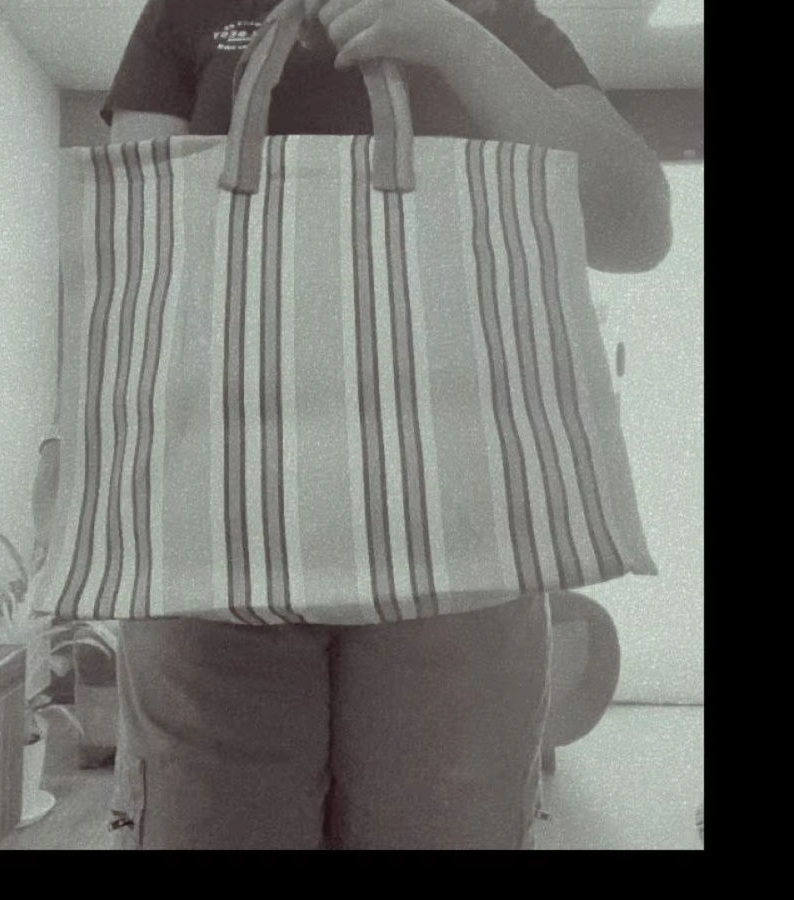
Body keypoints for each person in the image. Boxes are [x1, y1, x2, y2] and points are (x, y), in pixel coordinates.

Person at [102, 0, 671, 850]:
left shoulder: (495, 15)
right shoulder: (189, 9)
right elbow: (136, 241)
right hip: (213, 514)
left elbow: (634, 227)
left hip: (460, 522)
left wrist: (453, 39)